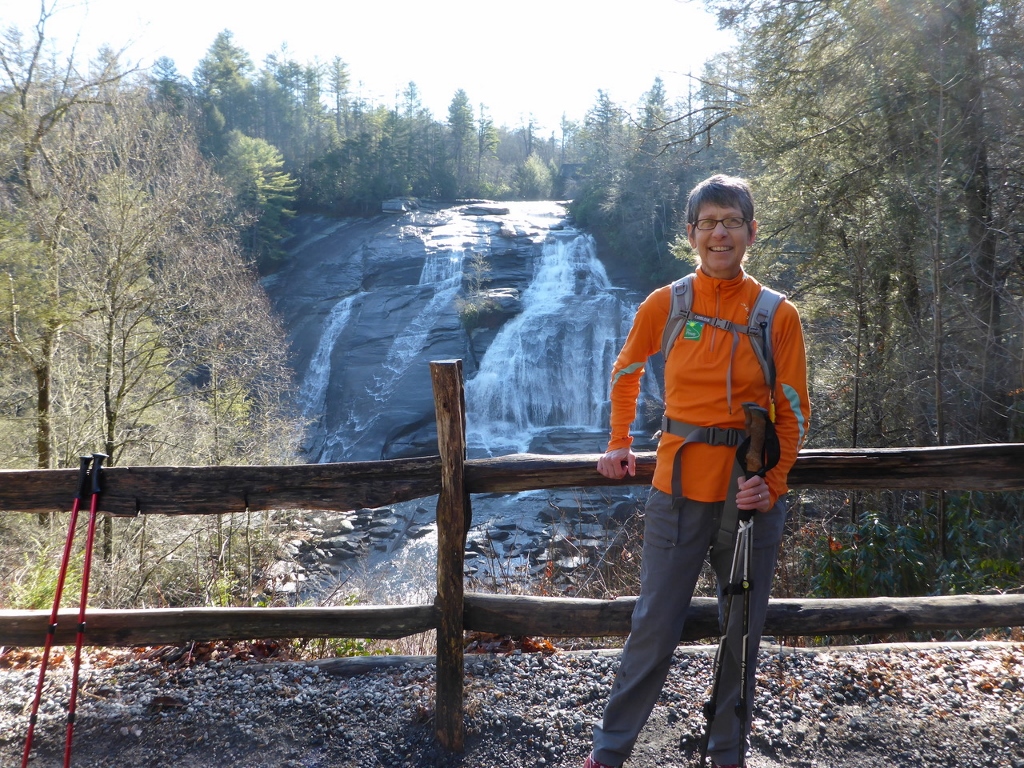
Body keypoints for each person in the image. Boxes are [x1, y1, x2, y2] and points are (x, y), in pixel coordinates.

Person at [583, 174, 810, 768]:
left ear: (751, 232)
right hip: (676, 491)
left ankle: (726, 751)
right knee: (653, 625)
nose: (719, 233)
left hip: (748, 497)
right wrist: (618, 442)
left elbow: (793, 410)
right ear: (691, 234)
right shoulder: (668, 303)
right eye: (708, 222)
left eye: (731, 221)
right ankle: (609, 752)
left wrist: (773, 484)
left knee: (741, 632)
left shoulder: (777, 315)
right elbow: (626, 371)